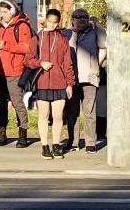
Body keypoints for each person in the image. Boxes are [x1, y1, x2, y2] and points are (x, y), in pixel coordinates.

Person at [25, 9, 75, 160]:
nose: (52, 25)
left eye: (55, 22)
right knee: (43, 115)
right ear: (45, 20)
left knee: (58, 116)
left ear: (58, 22)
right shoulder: (37, 38)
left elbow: (68, 63)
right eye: (50, 21)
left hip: (59, 82)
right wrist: (41, 63)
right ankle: (44, 146)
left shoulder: (63, 40)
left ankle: (56, 144)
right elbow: (28, 59)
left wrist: (70, 83)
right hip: (42, 82)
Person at [64, 8, 107, 154]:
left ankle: (90, 143)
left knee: (90, 112)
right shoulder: (67, 33)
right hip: (72, 79)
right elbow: (69, 48)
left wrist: (98, 24)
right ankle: (73, 142)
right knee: (72, 113)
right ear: (72, 19)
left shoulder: (94, 32)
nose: (82, 19)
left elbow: (105, 44)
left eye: (85, 17)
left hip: (89, 77)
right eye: (78, 17)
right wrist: (75, 32)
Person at [0, 0, 32, 147]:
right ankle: (1, 133)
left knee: (17, 102)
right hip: (0, 70)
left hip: (15, 70)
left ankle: (23, 132)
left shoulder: (22, 25)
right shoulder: (1, 25)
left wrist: (6, 46)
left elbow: (26, 47)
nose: (2, 15)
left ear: (12, 11)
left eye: (4, 12)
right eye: (1, 12)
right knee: (1, 103)